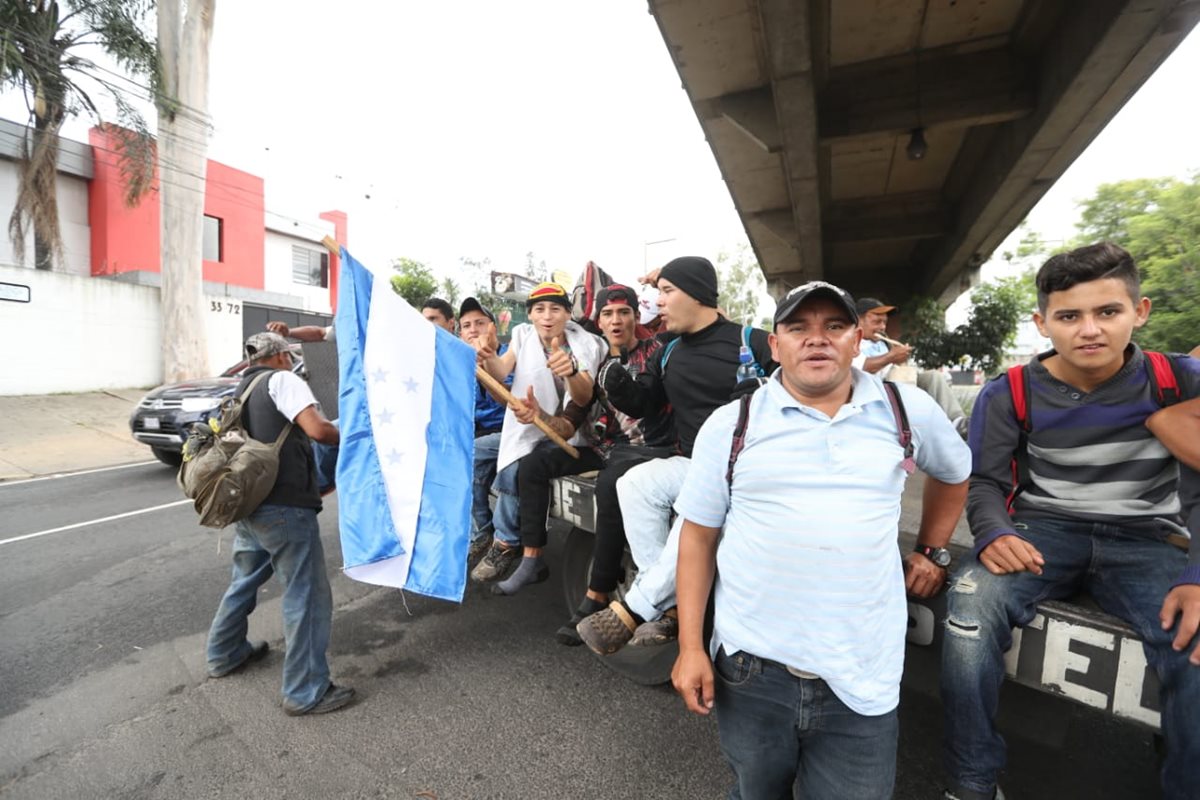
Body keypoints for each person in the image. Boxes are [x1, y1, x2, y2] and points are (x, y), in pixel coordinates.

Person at [670, 280, 971, 799]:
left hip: (863, 672)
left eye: (834, 326)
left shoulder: (907, 410)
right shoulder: (732, 425)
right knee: (755, 791)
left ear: (859, 340)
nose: (817, 339)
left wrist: (930, 549)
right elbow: (697, 539)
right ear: (775, 344)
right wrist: (690, 646)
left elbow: (953, 472)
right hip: (752, 670)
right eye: (798, 327)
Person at [940, 242, 1200, 800]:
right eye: (1068, 316)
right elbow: (987, 483)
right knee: (967, 609)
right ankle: (973, 783)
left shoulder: (1178, 380)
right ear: (1042, 323)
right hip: (1044, 530)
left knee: (1196, 644)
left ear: (1141, 310)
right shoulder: (1008, 391)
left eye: (1108, 312)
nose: (1089, 329)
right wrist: (993, 531)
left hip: (1148, 539)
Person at [576, 256, 776, 655]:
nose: (658, 303)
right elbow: (646, 403)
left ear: (698, 295)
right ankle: (667, 604)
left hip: (752, 473)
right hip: (695, 464)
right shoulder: (667, 350)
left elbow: (802, 394)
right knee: (633, 482)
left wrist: (766, 389)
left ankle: (638, 605)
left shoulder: (752, 341)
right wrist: (621, 389)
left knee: (696, 509)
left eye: (667, 292)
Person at [492, 284, 674, 611]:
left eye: (624, 312)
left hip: (648, 452)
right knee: (533, 464)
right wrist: (539, 416)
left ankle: (597, 596)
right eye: (607, 314)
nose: (616, 321)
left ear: (636, 316)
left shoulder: (659, 350)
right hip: (602, 449)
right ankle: (531, 559)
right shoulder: (598, 359)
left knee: (608, 488)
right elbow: (572, 415)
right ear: (599, 322)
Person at [205, 332, 356, 716]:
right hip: (285, 507)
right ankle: (306, 691)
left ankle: (224, 654)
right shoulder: (283, 380)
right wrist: (356, 437)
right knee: (305, 595)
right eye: (290, 356)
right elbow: (319, 430)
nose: (291, 361)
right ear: (281, 356)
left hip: (249, 504)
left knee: (244, 581)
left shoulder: (239, 388)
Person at [471, 282, 607, 583]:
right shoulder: (522, 335)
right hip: (526, 424)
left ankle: (506, 543)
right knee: (474, 453)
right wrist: (490, 355)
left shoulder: (586, 345)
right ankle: (483, 532)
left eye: (555, 308)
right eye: (539, 309)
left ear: (567, 314)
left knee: (520, 464)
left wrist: (570, 370)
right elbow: (499, 372)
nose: (547, 316)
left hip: (572, 434)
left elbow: (583, 398)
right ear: (530, 315)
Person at [458, 296, 519, 565]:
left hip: (513, 430)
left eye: (480, 323)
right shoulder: (459, 365)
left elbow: (512, 401)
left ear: (493, 327)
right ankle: (477, 529)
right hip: (480, 433)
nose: (473, 330)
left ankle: (485, 532)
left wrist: (486, 367)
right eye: (467, 325)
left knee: (468, 454)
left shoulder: (510, 355)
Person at [854, 297, 969, 436]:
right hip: (876, 390)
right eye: (877, 322)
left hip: (898, 384)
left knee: (933, 377)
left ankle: (957, 422)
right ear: (858, 320)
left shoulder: (883, 343)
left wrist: (900, 359)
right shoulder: (851, 342)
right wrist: (891, 357)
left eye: (885, 322)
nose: (883, 327)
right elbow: (860, 368)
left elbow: (895, 367)